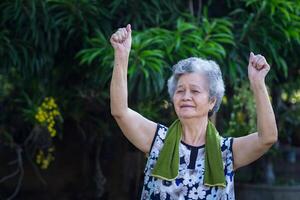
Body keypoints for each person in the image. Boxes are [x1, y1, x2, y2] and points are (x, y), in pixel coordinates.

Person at [110, 24, 278, 200]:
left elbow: (267, 138)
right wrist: (121, 56)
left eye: (195, 91)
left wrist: (258, 83)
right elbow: (120, 111)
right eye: (180, 90)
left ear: (212, 101)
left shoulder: (226, 152)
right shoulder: (158, 140)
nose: (186, 96)